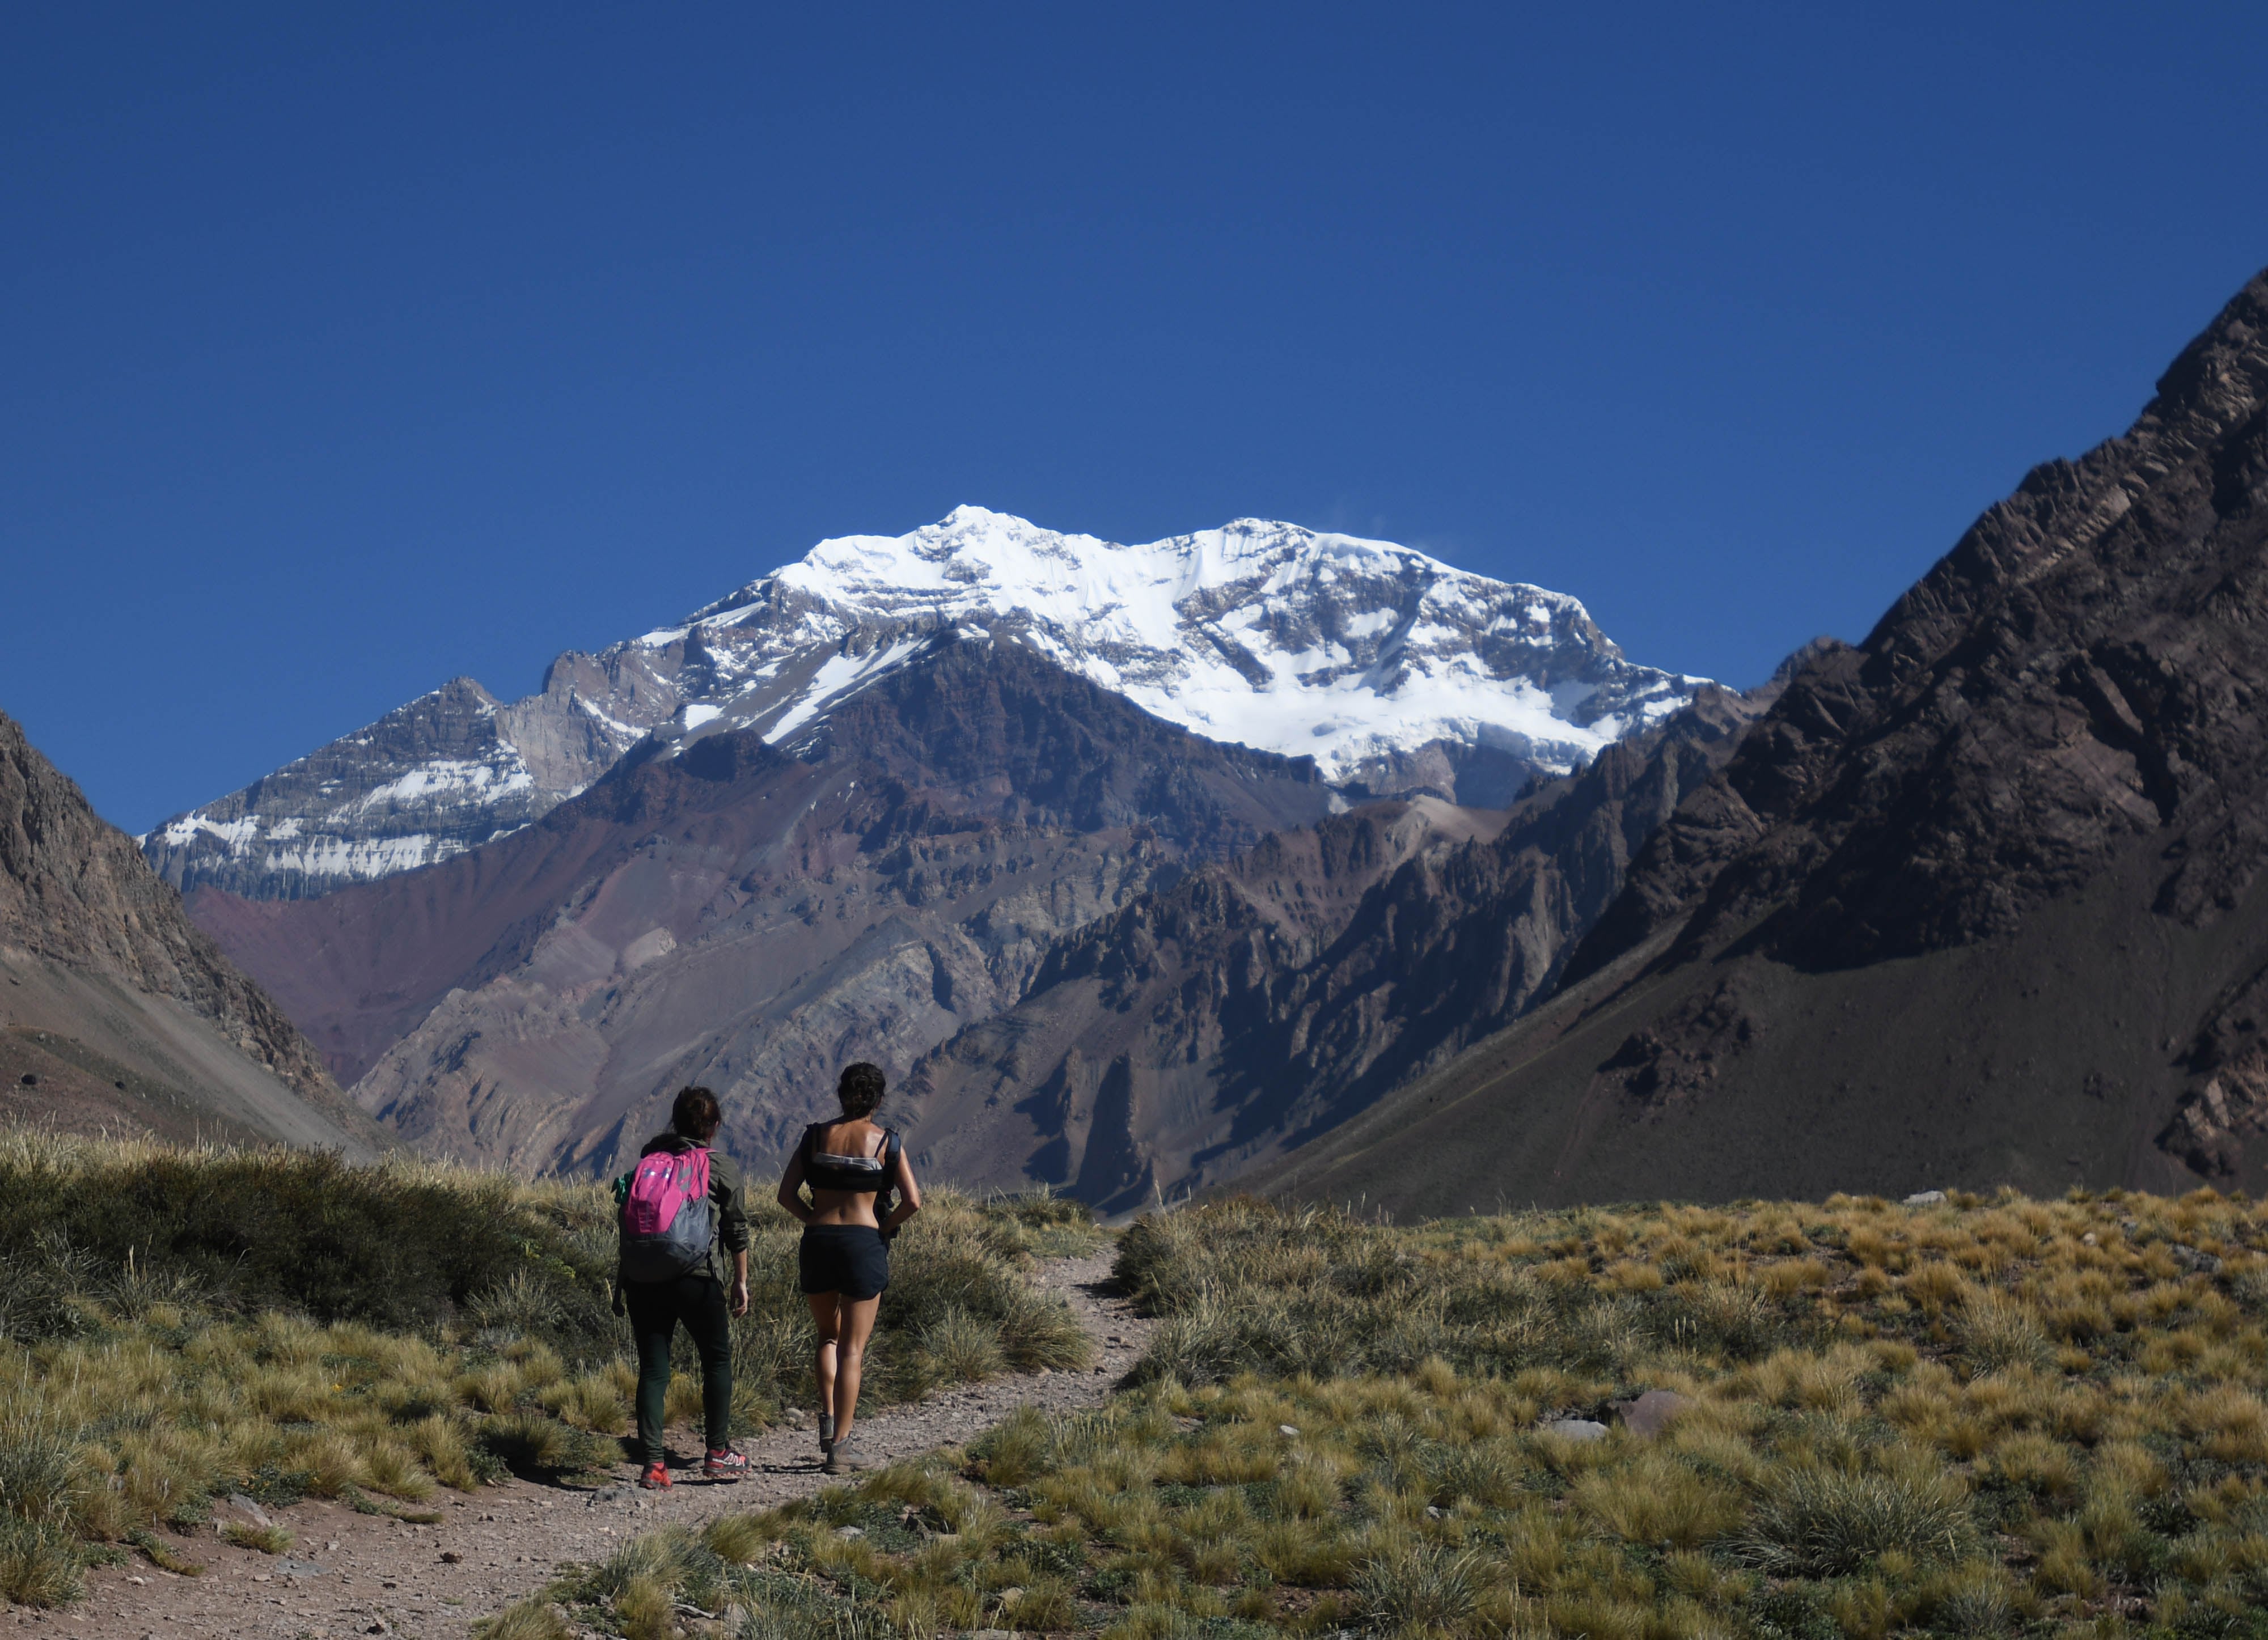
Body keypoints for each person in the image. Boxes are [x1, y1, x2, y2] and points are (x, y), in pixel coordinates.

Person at [776, 1061, 921, 1474]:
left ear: (841, 1094)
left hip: (818, 1241)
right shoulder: (886, 1142)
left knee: (827, 1335)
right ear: (878, 1099)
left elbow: (786, 1195)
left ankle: (826, 1420)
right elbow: (912, 1200)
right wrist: (882, 1228)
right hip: (863, 1244)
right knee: (852, 1348)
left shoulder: (815, 1137)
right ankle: (842, 1445)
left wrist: (814, 1220)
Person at [614, 1086, 751, 1490]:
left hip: (643, 1279)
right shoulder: (720, 1165)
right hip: (699, 1277)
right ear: (714, 1126)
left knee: (655, 1369)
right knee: (716, 1360)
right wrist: (741, 1281)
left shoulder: (649, 1161)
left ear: (675, 1120)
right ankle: (718, 1452)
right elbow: (736, 1229)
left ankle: (654, 1465)